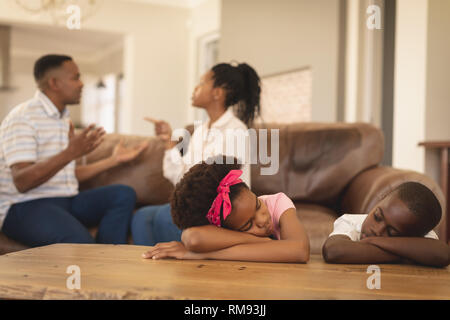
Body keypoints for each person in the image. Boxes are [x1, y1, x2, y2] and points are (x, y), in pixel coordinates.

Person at [0, 54, 148, 247]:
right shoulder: (23, 118)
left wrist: (113, 160)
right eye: (75, 77)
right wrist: (70, 152)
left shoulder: (61, 118)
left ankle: (108, 258)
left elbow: (64, 175)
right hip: (23, 206)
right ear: (54, 83)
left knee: (122, 194)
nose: (82, 84)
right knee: (80, 245)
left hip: (64, 200)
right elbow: (22, 181)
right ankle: (96, 261)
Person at [131, 62, 261, 246]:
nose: (195, 88)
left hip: (221, 209)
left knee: (162, 216)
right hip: (197, 204)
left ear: (217, 93)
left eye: (201, 83)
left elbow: (225, 185)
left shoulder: (235, 131)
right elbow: (180, 176)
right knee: (141, 217)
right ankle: (151, 269)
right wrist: (169, 141)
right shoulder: (201, 131)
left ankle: (189, 264)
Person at [141, 156, 310, 263]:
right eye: (247, 225)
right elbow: (192, 238)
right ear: (222, 229)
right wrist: (264, 243)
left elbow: (300, 250)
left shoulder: (278, 203)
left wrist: (201, 255)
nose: (262, 220)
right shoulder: (222, 227)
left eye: (258, 206)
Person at [322, 182, 450, 267]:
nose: (377, 231)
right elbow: (334, 251)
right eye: (377, 217)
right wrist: (404, 256)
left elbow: (444, 254)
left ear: (416, 236)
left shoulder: (423, 236)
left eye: (391, 232)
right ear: (381, 199)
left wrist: (372, 241)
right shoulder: (351, 222)